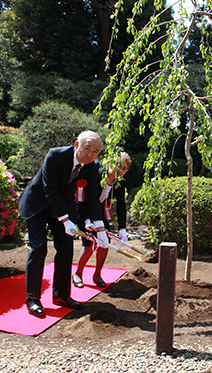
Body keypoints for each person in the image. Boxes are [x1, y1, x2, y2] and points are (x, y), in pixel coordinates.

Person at [18, 131, 108, 317]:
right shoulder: (55, 155)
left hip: (62, 207)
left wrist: (100, 229)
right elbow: (50, 189)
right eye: (87, 149)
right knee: (39, 247)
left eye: (95, 151)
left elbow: (91, 198)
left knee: (66, 246)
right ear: (76, 144)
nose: (90, 155)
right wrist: (65, 220)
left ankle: (61, 295)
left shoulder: (92, 167)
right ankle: (33, 298)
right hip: (38, 204)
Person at [73, 152, 131, 288]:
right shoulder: (96, 174)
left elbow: (121, 206)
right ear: (110, 163)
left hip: (101, 213)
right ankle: (78, 273)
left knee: (105, 244)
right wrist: (86, 219)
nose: (120, 170)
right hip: (84, 210)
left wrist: (122, 228)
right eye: (118, 165)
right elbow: (82, 198)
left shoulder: (121, 183)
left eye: (124, 168)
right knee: (88, 245)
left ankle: (97, 274)